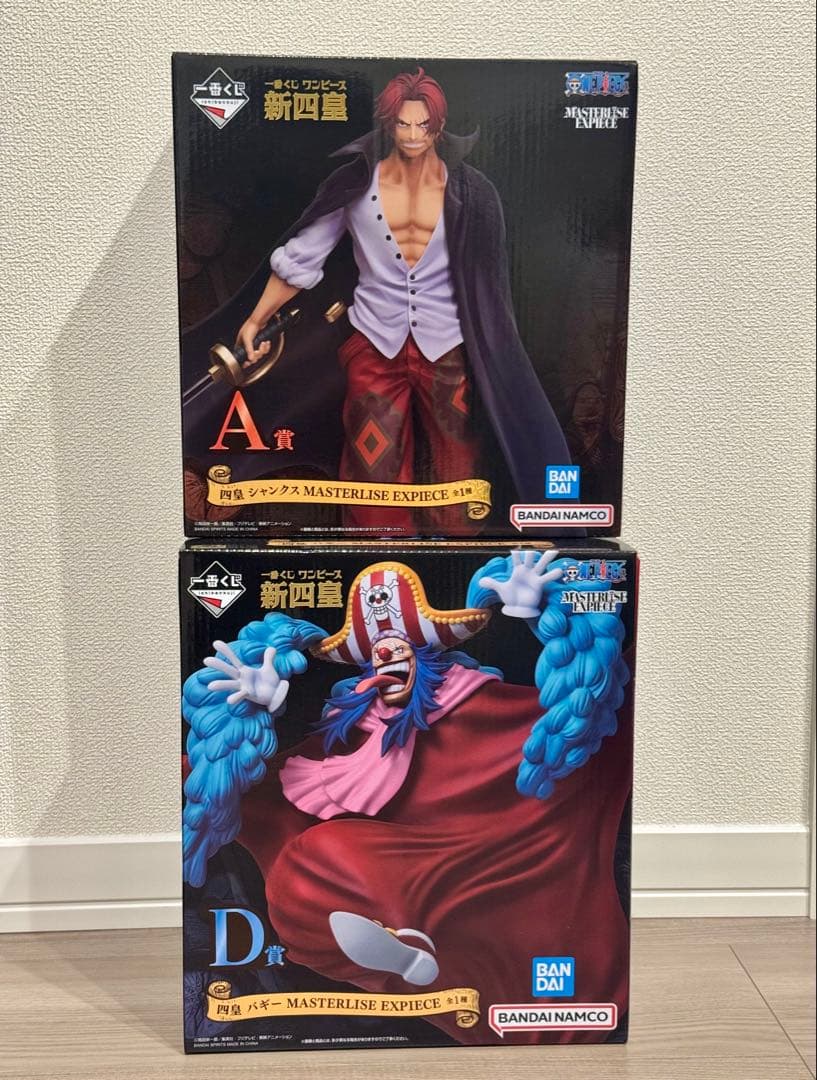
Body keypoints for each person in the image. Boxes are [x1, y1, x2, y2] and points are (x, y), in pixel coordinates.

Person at [182, 551, 632, 1045]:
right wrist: (254, 708)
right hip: (405, 918)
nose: (386, 659)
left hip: (499, 874)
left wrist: (540, 609)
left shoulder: (478, 707)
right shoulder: (353, 736)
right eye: (375, 652)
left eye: (398, 648)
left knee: (330, 859)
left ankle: (420, 956)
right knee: (308, 875)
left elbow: (588, 720)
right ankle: (408, 953)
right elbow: (260, 795)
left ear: (427, 655)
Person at [236, 68, 571, 531]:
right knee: (372, 462)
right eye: (403, 124)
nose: (413, 135)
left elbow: (490, 285)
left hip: (449, 344)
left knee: (460, 463)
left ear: (439, 126)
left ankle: (458, 558)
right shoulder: (356, 185)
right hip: (375, 340)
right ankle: (377, 557)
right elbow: (302, 257)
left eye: (423, 125)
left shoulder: (470, 192)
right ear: (388, 124)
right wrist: (256, 320)